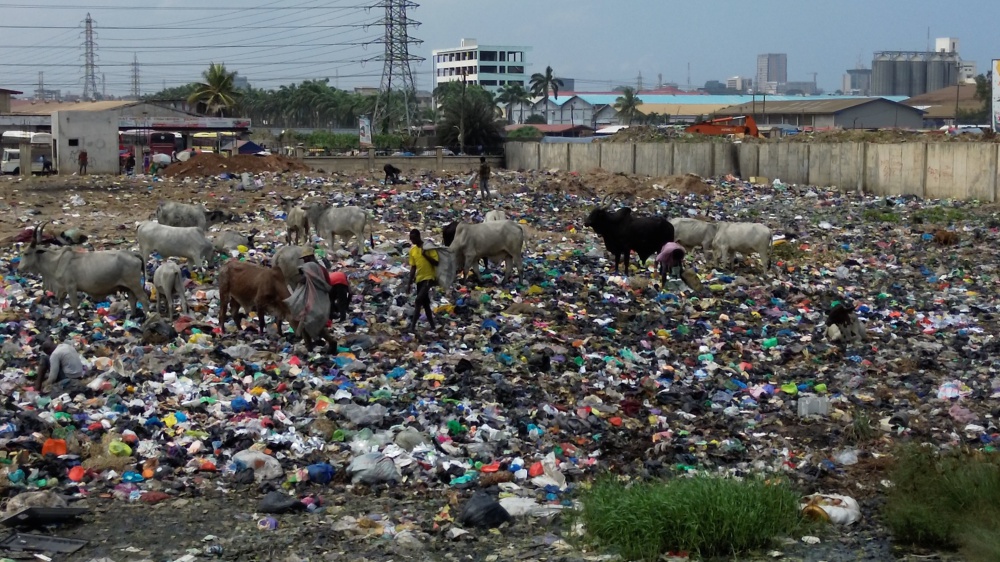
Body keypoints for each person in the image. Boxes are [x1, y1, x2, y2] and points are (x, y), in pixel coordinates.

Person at [287, 248, 338, 350]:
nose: (304, 261)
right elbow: (326, 283)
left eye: (306, 258)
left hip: (314, 300)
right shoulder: (320, 268)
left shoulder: (311, 268)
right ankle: (309, 346)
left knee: (311, 321)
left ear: (310, 257)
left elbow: (306, 280)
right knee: (306, 321)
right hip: (318, 299)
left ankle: (331, 342)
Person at [405, 229, 438, 332]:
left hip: (429, 278)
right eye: (410, 238)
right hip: (419, 279)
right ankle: (433, 326)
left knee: (418, 300)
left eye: (413, 238)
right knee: (425, 304)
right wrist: (409, 283)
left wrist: (425, 255)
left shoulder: (428, 248)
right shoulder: (412, 251)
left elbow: (436, 263)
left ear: (418, 237)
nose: (412, 240)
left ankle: (412, 327)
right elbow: (413, 268)